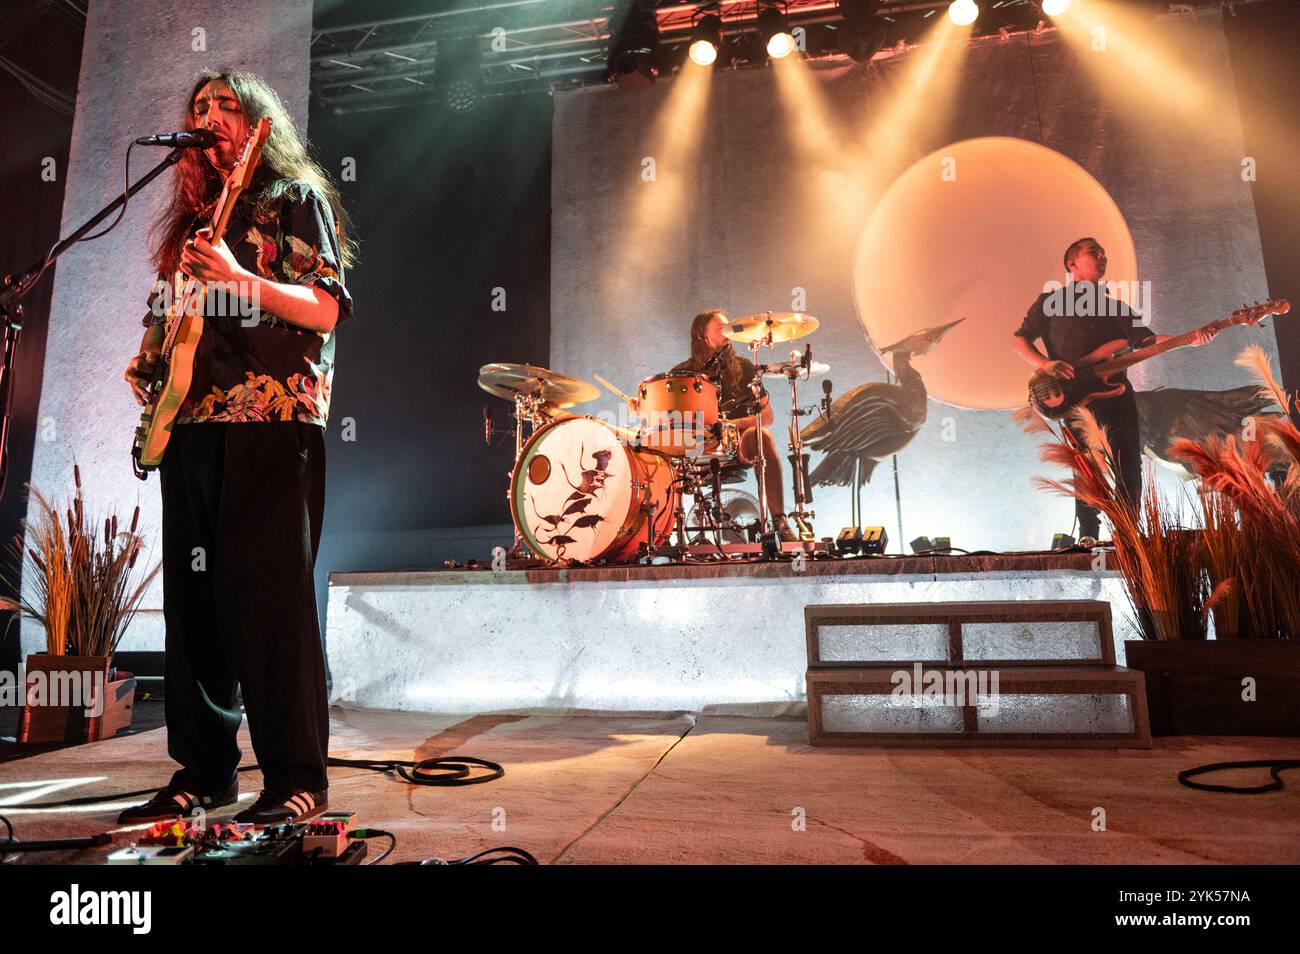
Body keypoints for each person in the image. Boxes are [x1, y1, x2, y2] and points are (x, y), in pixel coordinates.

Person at [119, 69, 355, 825]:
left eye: (227, 105)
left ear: (260, 123)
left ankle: (296, 779)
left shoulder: (296, 199)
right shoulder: (193, 219)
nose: (210, 115)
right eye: (199, 106)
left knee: (269, 604)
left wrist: (240, 278)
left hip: (269, 419)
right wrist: (148, 363)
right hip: (192, 424)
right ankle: (204, 772)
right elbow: (178, 319)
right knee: (196, 608)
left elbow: (323, 308)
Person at [1011, 237, 1212, 539]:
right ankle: (1088, 533)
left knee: (1129, 462)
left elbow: (1147, 341)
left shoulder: (1116, 307)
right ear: (1072, 263)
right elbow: (1020, 338)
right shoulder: (1050, 302)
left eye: (1104, 253)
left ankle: (1129, 533)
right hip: (1076, 396)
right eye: (1094, 252)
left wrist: (1190, 339)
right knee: (1086, 465)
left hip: (1117, 394)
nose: (1102, 257)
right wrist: (1044, 364)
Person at [672, 310, 796, 542]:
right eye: (720, 328)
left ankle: (779, 520)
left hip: (737, 446)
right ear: (702, 334)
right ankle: (666, 532)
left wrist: (729, 425)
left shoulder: (745, 367)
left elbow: (766, 416)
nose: (727, 332)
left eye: (729, 328)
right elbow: (672, 420)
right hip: (697, 449)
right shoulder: (682, 373)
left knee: (763, 435)